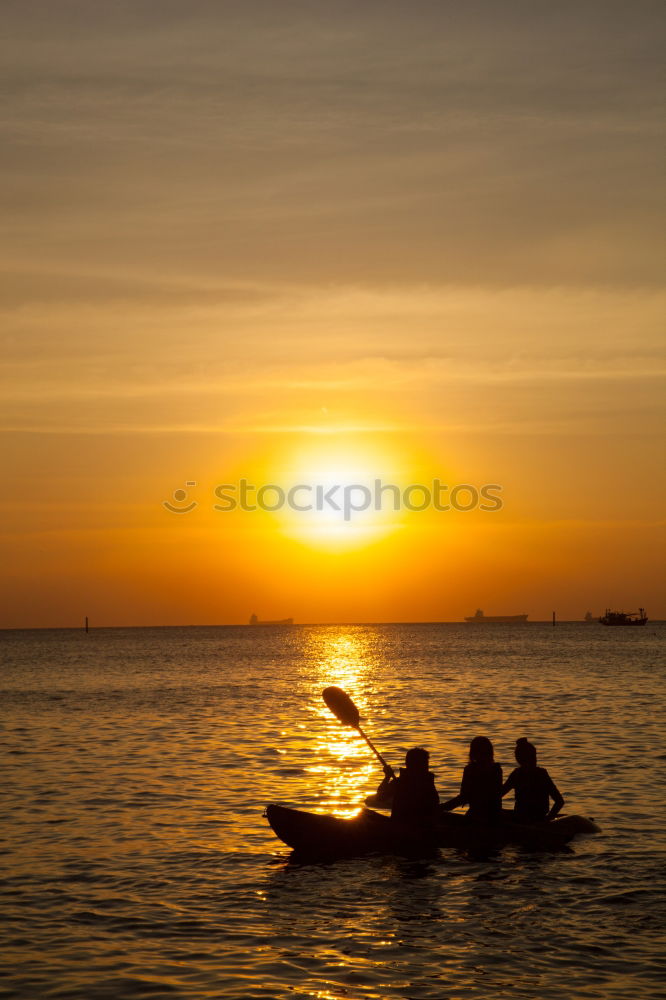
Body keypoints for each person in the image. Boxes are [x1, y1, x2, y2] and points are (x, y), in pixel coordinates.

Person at [441, 736, 503, 824]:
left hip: (477, 816)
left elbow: (463, 797)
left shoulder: (470, 770)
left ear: (472, 752)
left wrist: (442, 807)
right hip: (495, 815)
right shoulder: (497, 769)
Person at [373, 747, 440, 828]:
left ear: (407, 763)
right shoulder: (427, 782)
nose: (427, 766)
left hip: (402, 827)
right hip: (424, 826)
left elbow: (379, 797)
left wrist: (387, 777)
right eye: (425, 763)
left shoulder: (400, 782)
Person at [502, 737, 564, 823]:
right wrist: (548, 819)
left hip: (524, 820)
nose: (535, 759)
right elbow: (559, 801)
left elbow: (498, 795)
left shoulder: (517, 774)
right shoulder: (541, 774)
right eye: (534, 756)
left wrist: (547, 820)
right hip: (534, 819)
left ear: (518, 759)